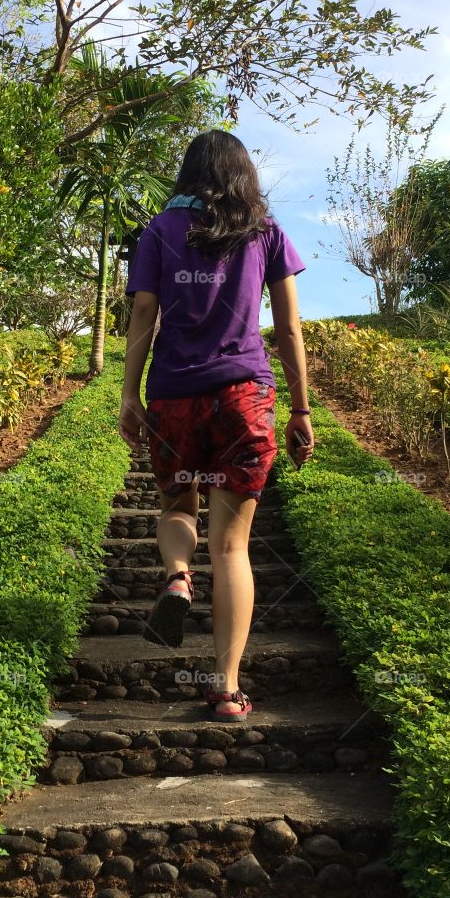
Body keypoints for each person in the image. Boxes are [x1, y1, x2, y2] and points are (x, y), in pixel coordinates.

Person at [118, 129, 314, 721]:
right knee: (233, 546)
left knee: (179, 506)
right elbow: (288, 331)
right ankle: (226, 688)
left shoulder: (157, 231)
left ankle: (177, 575)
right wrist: (301, 410)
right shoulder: (265, 231)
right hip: (244, 396)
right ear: (244, 173)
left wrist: (129, 392)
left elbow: (143, 316)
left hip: (175, 395)